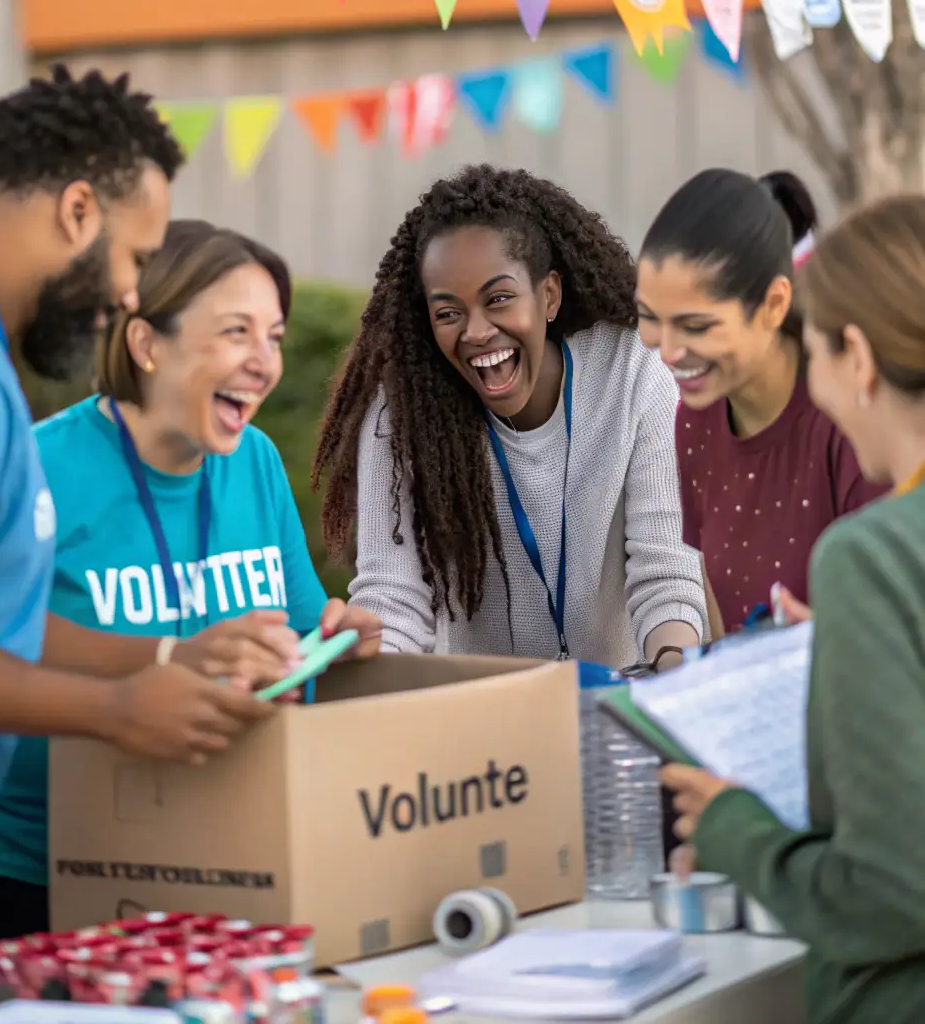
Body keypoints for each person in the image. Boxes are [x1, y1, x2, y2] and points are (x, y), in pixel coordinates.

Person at [0, 68, 270, 940]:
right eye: (137, 258)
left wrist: (166, 655)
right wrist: (116, 712)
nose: (132, 295)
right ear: (77, 212)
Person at [0, 220, 380, 940]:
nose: (265, 362)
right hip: (50, 878)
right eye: (236, 332)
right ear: (146, 342)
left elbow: (293, 636)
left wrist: (330, 637)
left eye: (275, 336)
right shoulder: (36, 469)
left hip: (227, 856)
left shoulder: (253, 459)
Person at [664, 193, 925, 1024]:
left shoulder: (871, 556)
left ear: (856, 356)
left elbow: (888, 893)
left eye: (810, 352)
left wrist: (734, 827)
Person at [314, 165, 707, 668]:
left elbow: (666, 570)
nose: (476, 332)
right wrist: (370, 662)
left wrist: (675, 674)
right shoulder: (403, 412)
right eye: (448, 313)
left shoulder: (630, 369)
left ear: (548, 296)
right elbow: (394, 599)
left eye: (498, 299)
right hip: (482, 715)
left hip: (620, 701)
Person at [636, 168, 884, 632]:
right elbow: (716, 600)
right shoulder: (694, 417)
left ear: (773, 304)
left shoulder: (847, 417)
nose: (667, 351)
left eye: (695, 326)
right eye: (650, 318)